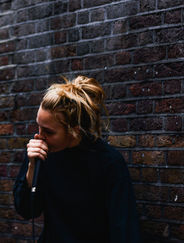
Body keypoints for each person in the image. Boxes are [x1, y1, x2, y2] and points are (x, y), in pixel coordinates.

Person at [13, 75, 142, 243]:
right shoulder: (41, 153)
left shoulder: (108, 161)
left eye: (49, 132)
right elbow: (26, 210)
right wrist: (31, 167)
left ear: (75, 130)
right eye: (38, 126)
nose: (40, 136)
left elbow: (124, 228)